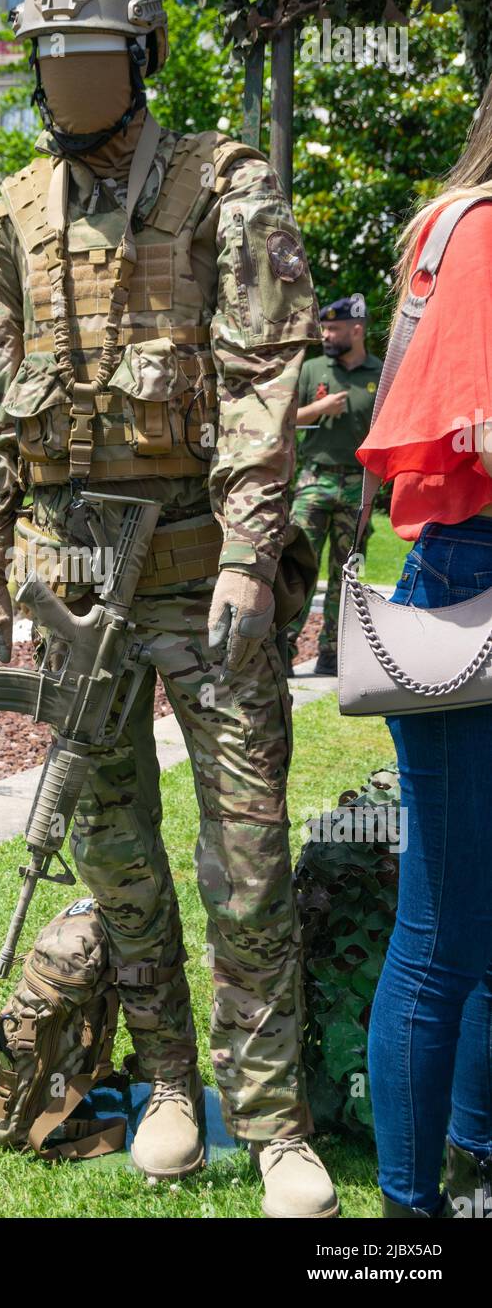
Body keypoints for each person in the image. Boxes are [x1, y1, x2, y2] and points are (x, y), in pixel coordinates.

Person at [0, 0, 337, 1217]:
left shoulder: (223, 190)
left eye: (88, 60)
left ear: (139, 62)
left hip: (199, 564)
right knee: (114, 851)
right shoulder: (8, 217)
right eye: (48, 64)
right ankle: (170, 1084)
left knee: (246, 855)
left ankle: (273, 1121)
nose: (65, 83)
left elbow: (263, 376)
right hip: (75, 572)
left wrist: (244, 551)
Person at [356, 78, 492, 1217]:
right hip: (470, 586)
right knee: (443, 933)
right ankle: (408, 1220)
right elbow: (475, 427)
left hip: (464, 577)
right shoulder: (483, 231)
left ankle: (471, 1168)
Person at [286, 295, 381, 675]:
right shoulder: (311, 370)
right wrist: (319, 409)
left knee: (348, 571)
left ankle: (333, 652)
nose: (325, 334)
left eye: (333, 328)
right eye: (324, 327)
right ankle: (284, 647)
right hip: (314, 480)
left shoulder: (379, 373)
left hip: (358, 487)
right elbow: (284, 418)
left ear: (356, 329)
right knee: (297, 566)